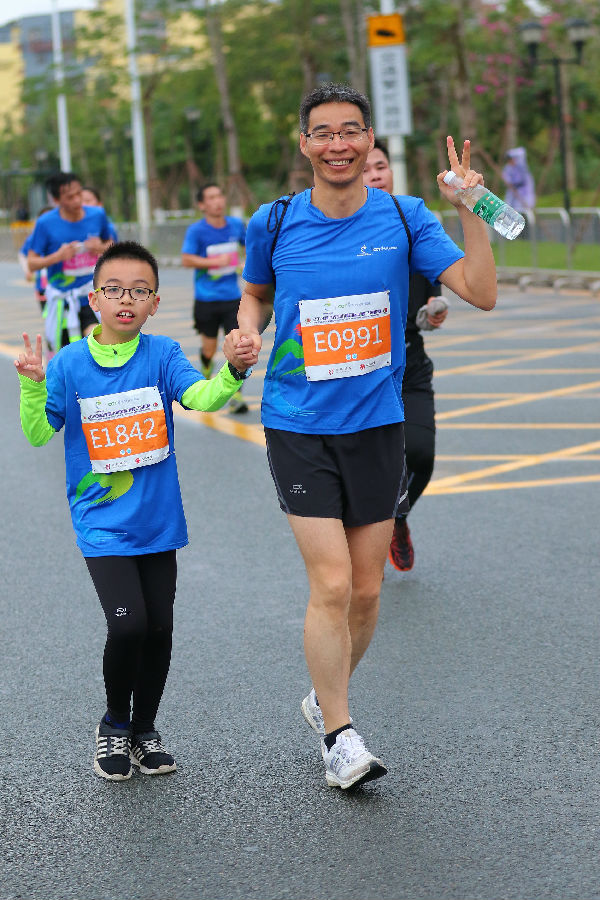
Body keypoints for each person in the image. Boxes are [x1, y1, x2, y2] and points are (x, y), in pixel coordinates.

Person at [230, 83, 497, 790]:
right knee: (332, 581)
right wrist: (247, 332)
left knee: (368, 591)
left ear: (370, 140)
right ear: (304, 144)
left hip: (378, 423)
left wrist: (471, 210)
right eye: (323, 133)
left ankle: (326, 695)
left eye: (350, 131)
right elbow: (254, 292)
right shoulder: (273, 221)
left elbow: (480, 290)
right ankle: (340, 737)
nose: (338, 144)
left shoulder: (406, 217)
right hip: (297, 422)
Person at [15, 240, 256, 782]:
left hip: (158, 521)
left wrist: (234, 370)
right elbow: (38, 433)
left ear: (154, 303)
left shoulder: (163, 354)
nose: (126, 299)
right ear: (94, 299)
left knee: (160, 630)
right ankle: (114, 724)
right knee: (129, 627)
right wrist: (32, 386)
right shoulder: (70, 363)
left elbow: (202, 398)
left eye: (139, 291)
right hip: (101, 522)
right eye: (114, 289)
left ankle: (145, 730)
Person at [363, 140, 448, 572]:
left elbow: (436, 285)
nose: (375, 173)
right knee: (367, 465)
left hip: (410, 361)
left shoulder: (413, 220)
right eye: (366, 168)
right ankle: (368, 533)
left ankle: (397, 517)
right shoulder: (340, 232)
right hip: (361, 367)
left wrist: (434, 308)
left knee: (421, 453)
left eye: (380, 165)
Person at [27, 172, 114, 355]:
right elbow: (32, 263)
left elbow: (112, 246)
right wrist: (58, 256)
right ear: (57, 200)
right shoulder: (45, 223)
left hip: (92, 294)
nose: (77, 200)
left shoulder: (97, 215)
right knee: (68, 354)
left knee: (99, 343)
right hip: (63, 300)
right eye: (70, 197)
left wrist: (99, 247)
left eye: (79, 193)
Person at [181, 183, 248, 414]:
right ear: (202, 205)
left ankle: (236, 395)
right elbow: (187, 259)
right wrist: (214, 262)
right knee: (209, 349)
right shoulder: (196, 231)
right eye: (211, 197)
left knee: (238, 346)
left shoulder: (235, 225)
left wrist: (245, 264)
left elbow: (251, 246)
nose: (217, 201)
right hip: (206, 299)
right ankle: (207, 372)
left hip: (233, 298)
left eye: (219, 196)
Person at [502, 147, 535, 213]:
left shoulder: (521, 166)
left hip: (524, 192)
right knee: (509, 207)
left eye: (511, 159)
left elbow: (522, 151)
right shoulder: (508, 167)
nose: (510, 161)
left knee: (524, 209)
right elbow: (506, 178)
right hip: (513, 191)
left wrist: (510, 153)